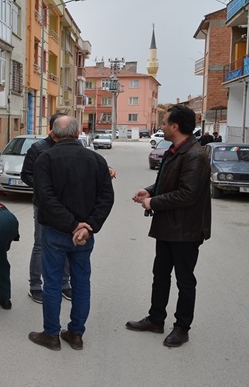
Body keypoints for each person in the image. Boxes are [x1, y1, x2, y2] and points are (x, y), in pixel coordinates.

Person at [126, 104, 211, 348]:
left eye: (164, 122)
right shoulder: (174, 150)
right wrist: (149, 190)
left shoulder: (196, 155)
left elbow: (187, 195)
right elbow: (166, 182)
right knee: (160, 275)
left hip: (186, 230)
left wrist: (153, 201)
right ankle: (155, 319)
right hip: (167, 225)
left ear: (175, 127)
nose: (161, 126)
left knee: (185, 281)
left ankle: (182, 327)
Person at [27, 115, 114, 351]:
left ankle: (51, 335)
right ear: (78, 134)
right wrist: (87, 226)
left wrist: (73, 225)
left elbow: (45, 198)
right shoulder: (97, 160)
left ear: (53, 135)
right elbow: (106, 198)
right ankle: (76, 334)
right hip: (84, 235)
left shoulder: (45, 159)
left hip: (56, 232)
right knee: (81, 282)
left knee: (53, 283)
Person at [20, 113, 72, 304]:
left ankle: (64, 285)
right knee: (40, 244)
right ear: (53, 129)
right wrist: (44, 188)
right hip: (43, 204)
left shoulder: (71, 146)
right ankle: (35, 286)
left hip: (67, 205)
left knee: (67, 243)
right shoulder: (38, 148)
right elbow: (26, 175)